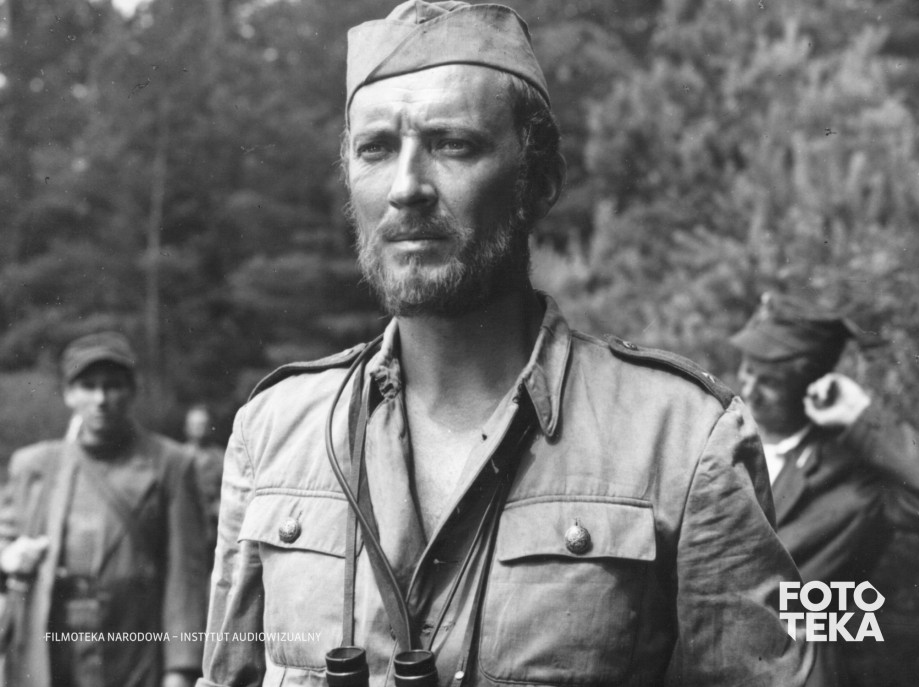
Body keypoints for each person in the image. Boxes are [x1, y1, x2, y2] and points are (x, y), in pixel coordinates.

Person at [199, 3, 812, 686]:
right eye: (376, 149)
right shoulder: (275, 430)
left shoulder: (682, 442)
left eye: (453, 144)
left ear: (537, 183)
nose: (406, 187)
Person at [730, 293, 919, 687]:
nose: (749, 389)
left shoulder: (853, 479)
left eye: (769, 382)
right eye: (747, 370)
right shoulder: (717, 444)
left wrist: (860, 415)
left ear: (808, 385)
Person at [0, 332, 208, 687]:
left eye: (113, 385)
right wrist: (8, 556)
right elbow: (5, 543)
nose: (100, 399)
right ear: (69, 394)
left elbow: (185, 581)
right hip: (50, 646)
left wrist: (180, 671)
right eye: (88, 386)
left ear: (132, 390)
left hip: (134, 648)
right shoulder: (35, 466)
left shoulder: (171, 464)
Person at [183, 404, 224, 555]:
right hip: (186, 520)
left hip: (213, 523)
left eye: (203, 424)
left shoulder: (220, 457)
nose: (199, 429)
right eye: (194, 425)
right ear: (186, 427)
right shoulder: (179, 456)